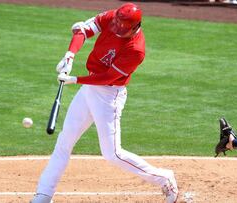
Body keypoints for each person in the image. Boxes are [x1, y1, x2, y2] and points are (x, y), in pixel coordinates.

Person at [31, 3, 178, 203]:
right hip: (89, 89)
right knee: (64, 141)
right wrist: (70, 55)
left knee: (112, 154)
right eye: (116, 24)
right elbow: (82, 30)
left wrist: (75, 79)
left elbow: (107, 77)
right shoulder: (113, 18)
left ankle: (164, 178)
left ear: (135, 27)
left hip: (109, 95)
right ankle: (43, 195)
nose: (116, 28)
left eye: (122, 27)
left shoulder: (135, 50)